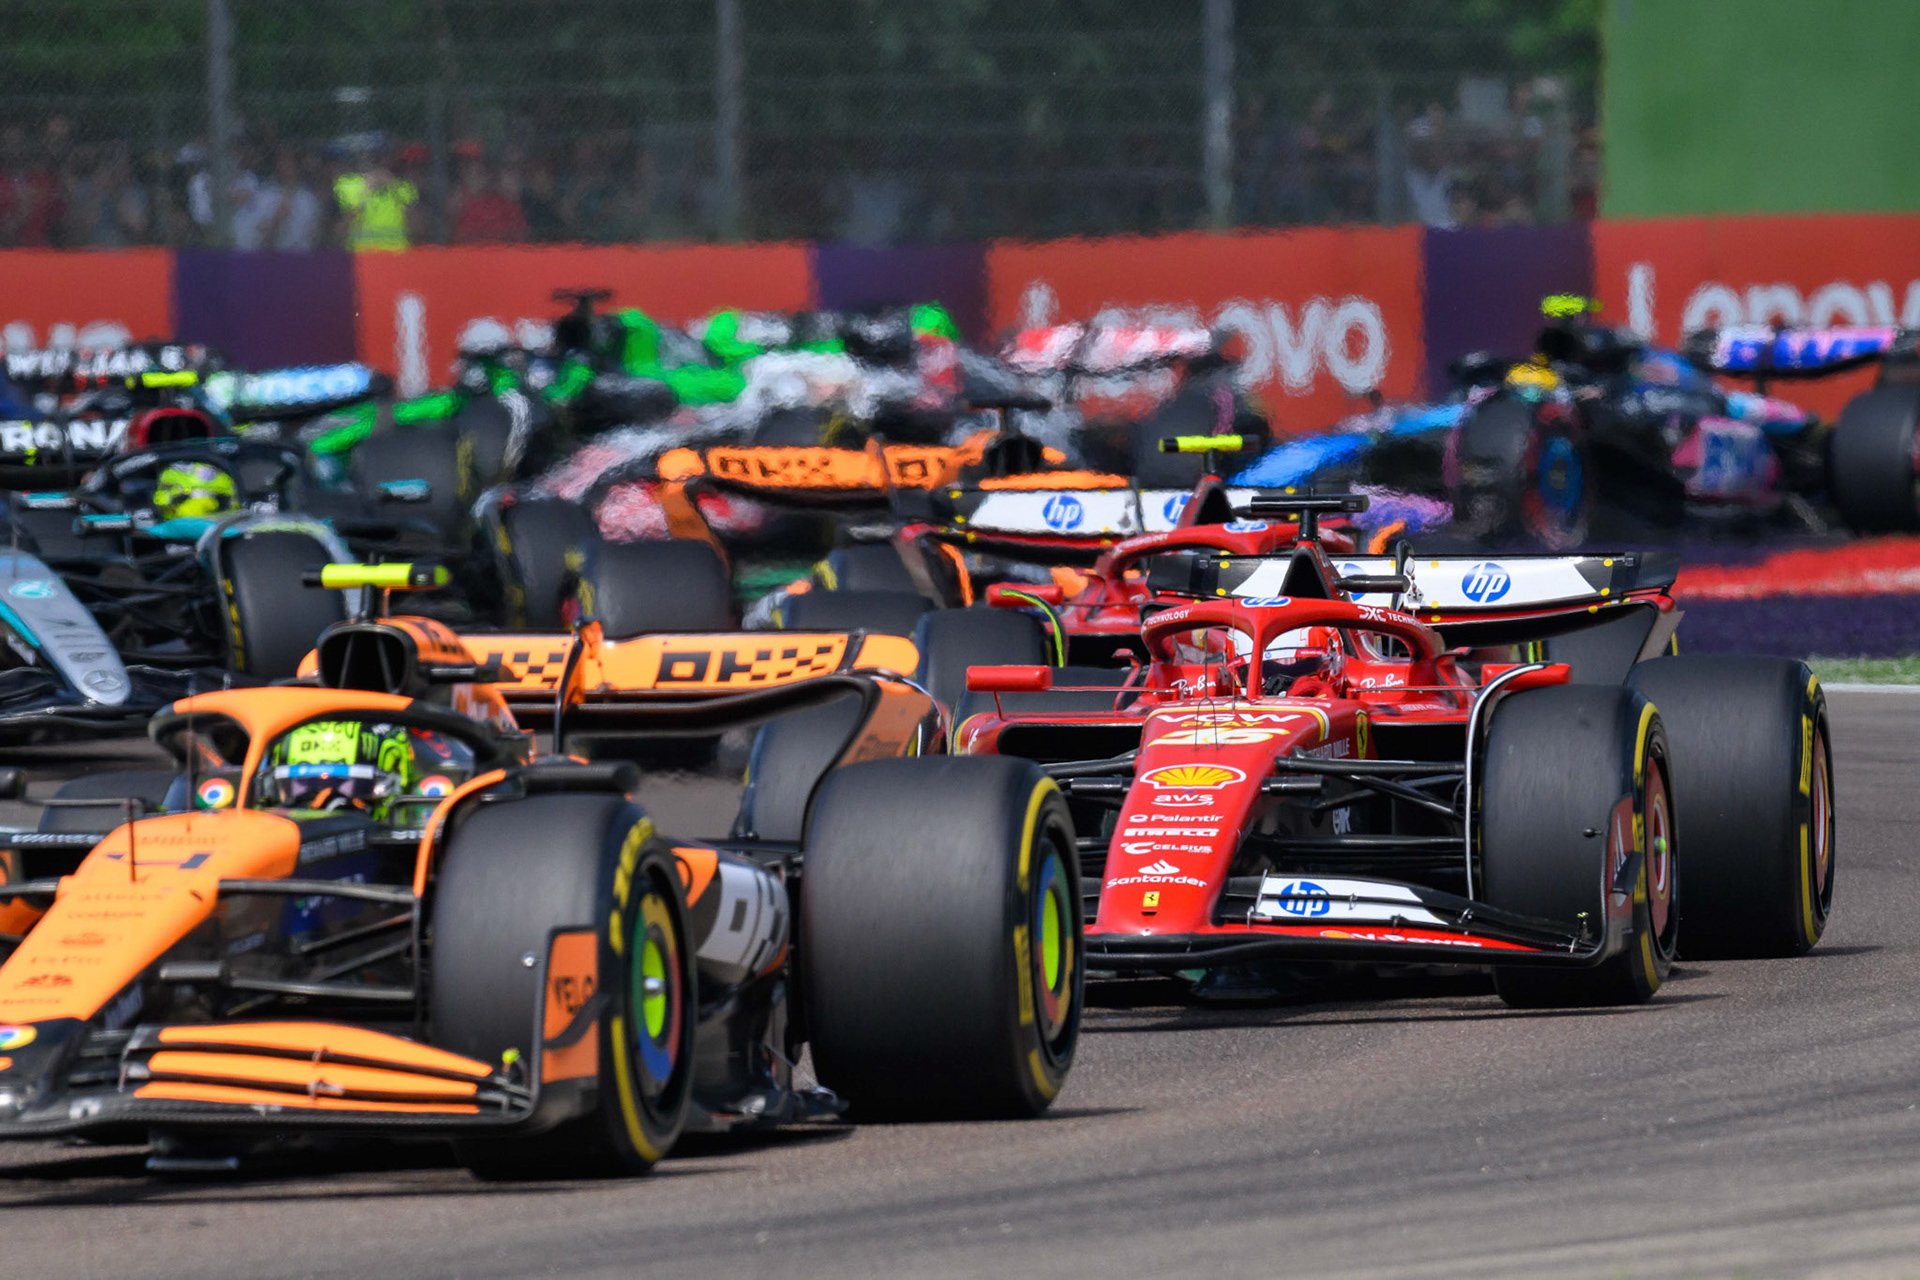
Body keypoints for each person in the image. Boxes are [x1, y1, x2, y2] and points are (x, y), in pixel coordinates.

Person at [233, 146, 324, 251]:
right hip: (271, 261)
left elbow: (316, 238)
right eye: (282, 161)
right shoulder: (263, 197)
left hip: (301, 261)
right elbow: (252, 239)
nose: (286, 166)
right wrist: (276, 221)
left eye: (291, 161)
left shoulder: (308, 200)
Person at [334, 148, 418, 251]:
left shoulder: (404, 188)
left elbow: (418, 229)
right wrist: (366, 191)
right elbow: (338, 231)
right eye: (376, 159)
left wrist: (394, 190)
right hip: (361, 258)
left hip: (397, 257)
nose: (382, 164)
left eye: (386, 159)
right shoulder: (347, 186)